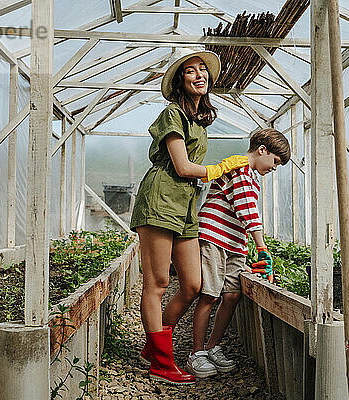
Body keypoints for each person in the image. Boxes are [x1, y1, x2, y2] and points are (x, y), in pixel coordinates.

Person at [130, 47, 250, 385]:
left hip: (185, 205)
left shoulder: (199, 119)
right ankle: (161, 362)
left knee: (193, 284)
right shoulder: (172, 114)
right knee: (157, 283)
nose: (199, 75)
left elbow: (194, 173)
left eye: (203, 71)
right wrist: (217, 168)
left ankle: (153, 348)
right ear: (181, 82)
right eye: (190, 71)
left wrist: (218, 173)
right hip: (161, 197)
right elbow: (183, 167)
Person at [186, 128, 291, 378]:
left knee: (232, 296)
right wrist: (262, 248)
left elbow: (244, 217)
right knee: (210, 295)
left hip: (234, 244)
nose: (274, 168)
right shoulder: (241, 168)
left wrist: (247, 248)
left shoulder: (252, 176)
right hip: (214, 239)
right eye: (275, 161)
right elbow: (248, 213)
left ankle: (213, 347)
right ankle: (196, 353)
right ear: (262, 150)